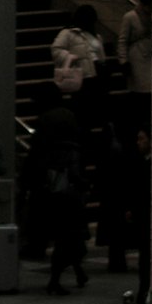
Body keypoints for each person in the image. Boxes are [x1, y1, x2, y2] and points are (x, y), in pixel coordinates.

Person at [34, 125, 93, 292]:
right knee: (71, 241)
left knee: (63, 241)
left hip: (53, 203)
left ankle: (75, 274)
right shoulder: (72, 152)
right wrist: (85, 185)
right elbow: (74, 175)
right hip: (70, 204)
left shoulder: (49, 151)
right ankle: (57, 280)